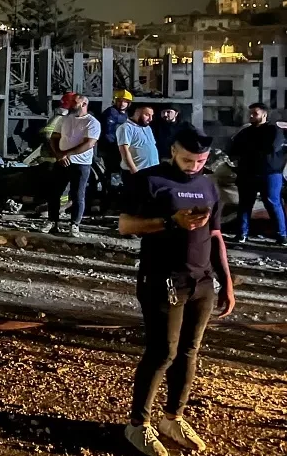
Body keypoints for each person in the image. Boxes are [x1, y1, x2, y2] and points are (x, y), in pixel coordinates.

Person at [119, 126, 235, 456]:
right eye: (187, 159)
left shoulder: (208, 184)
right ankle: (138, 425)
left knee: (189, 351)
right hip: (162, 281)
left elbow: (215, 237)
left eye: (200, 161)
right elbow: (126, 225)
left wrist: (225, 281)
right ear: (173, 151)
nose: (193, 166)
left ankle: (174, 417)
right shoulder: (150, 180)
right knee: (162, 353)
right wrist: (172, 222)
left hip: (201, 283)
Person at [40, 94, 101, 237]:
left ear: (84, 104)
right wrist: (58, 155)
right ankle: (52, 221)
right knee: (54, 192)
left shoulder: (92, 122)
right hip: (62, 161)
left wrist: (67, 154)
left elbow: (89, 143)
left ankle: (74, 224)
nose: (71, 104)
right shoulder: (64, 119)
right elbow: (54, 138)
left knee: (78, 194)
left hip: (81, 163)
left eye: (75, 102)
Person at [227, 102, 287, 244]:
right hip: (248, 173)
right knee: (245, 205)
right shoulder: (245, 132)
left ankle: (282, 235)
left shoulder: (274, 131)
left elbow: (271, 148)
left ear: (264, 114)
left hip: (270, 173)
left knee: (273, 203)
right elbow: (233, 149)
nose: (251, 116)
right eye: (250, 113)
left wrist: (248, 151)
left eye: (255, 113)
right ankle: (242, 234)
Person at [99, 89, 133, 208]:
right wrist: (118, 148)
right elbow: (109, 133)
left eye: (125, 101)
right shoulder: (111, 113)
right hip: (111, 151)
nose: (122, 103)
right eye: (120, 101)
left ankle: (114, 199)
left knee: (117, 175)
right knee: (113, 175)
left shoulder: (125, 115)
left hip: (119, 150)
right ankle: (110, 201)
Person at [117, 104, 159, 182]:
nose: (150, 119)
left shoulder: (148, 128)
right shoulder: (125, 128)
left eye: (151, 115)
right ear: (137, 113)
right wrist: (135, 172)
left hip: (152, 171)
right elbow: (125, 152)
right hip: (137, 172)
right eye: (147, 115)